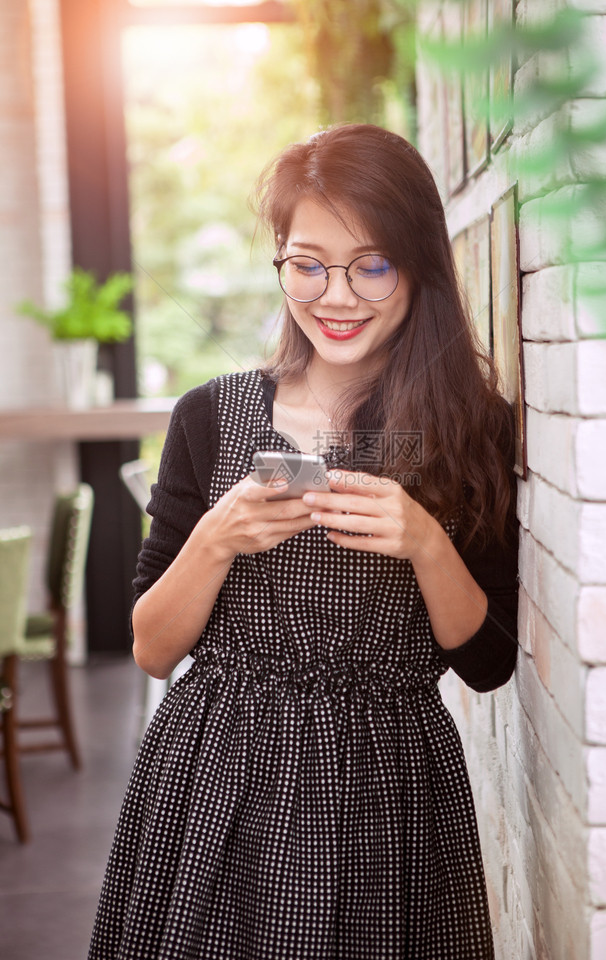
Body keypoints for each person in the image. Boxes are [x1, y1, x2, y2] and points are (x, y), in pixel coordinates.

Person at [88, 123, 519, 960]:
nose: (337, 295)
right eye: (308, 263)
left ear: (417, 263)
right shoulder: (210, 415)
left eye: (372, 265)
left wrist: (428, 545)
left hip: (388, 790)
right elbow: (149, 647)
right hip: (214, 775)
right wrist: (215, 538)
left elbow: (489, 664)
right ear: (281, 259)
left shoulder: (471, 428)